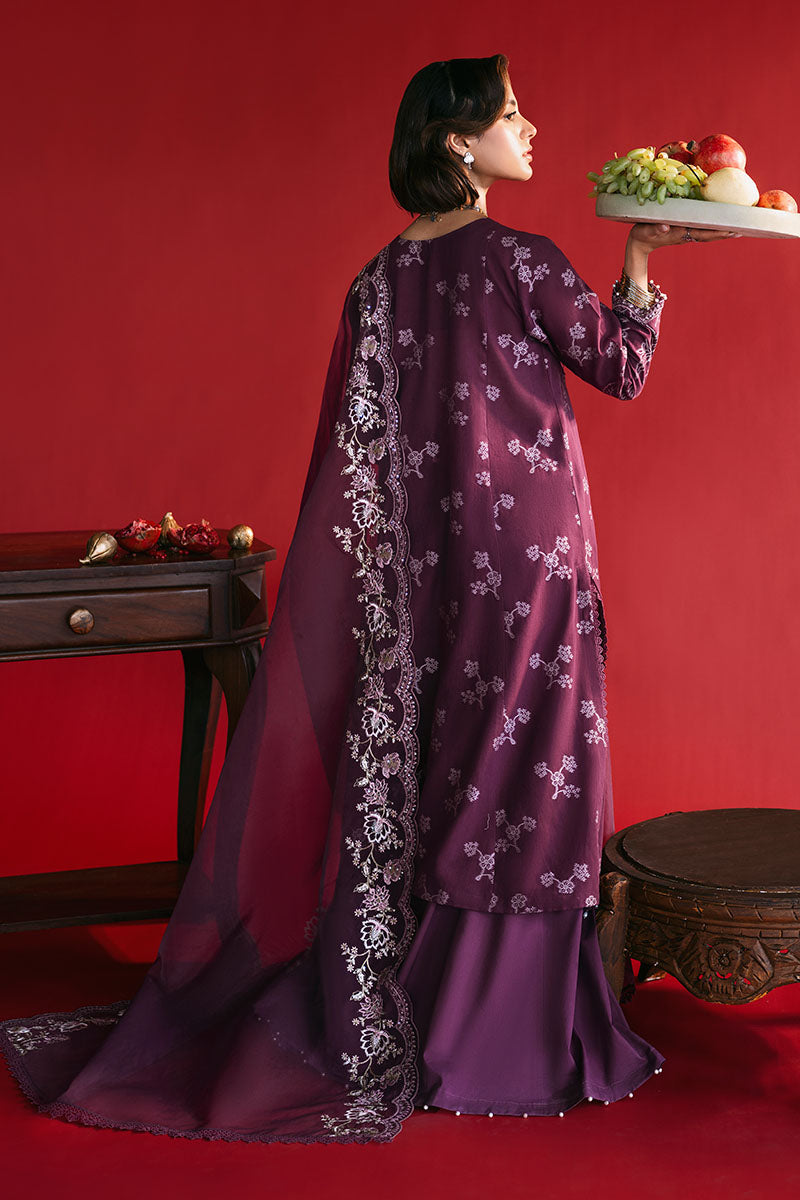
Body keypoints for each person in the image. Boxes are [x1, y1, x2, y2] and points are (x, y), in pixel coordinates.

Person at [0, 54, 736, 1143]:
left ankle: (428, 999)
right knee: (536, 759)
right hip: (531, 560)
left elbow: (362, 461)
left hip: (424, 575)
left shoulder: (373, 283)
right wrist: (640, 257)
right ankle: (511, 1029)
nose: (529, 128)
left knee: (457, 758)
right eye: (509, 114)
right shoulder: (521, 258)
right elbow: (620, 367)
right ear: (456, 140)